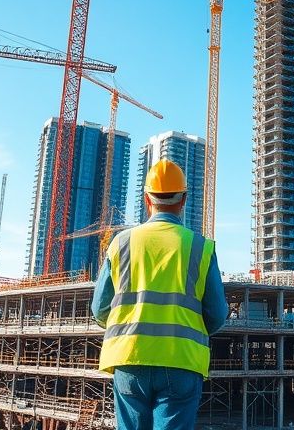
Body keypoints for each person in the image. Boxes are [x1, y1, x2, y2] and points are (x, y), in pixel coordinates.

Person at [91, 158, 228, 430]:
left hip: (129, 359)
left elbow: (99, 310)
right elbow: (216, 315)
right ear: (184, 199)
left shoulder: (121, 243)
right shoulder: (201, 247)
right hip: (182, 360)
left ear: (147, 199)